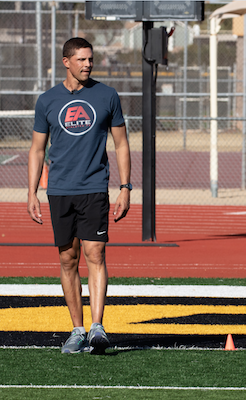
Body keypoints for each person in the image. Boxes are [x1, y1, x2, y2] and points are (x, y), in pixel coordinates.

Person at [27, 37, 132, 354]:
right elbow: (36, 149)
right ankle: (77, 330)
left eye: (91, 59)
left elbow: (122, 144)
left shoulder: (107, 96)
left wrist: (125, 188)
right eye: (82, 59)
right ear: (66, 62)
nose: (88, 64)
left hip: (94, 188)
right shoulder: (47, 100)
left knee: (95, 254)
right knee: (67, 258)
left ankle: (98, 328)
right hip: (59, 190)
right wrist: (31, 192)